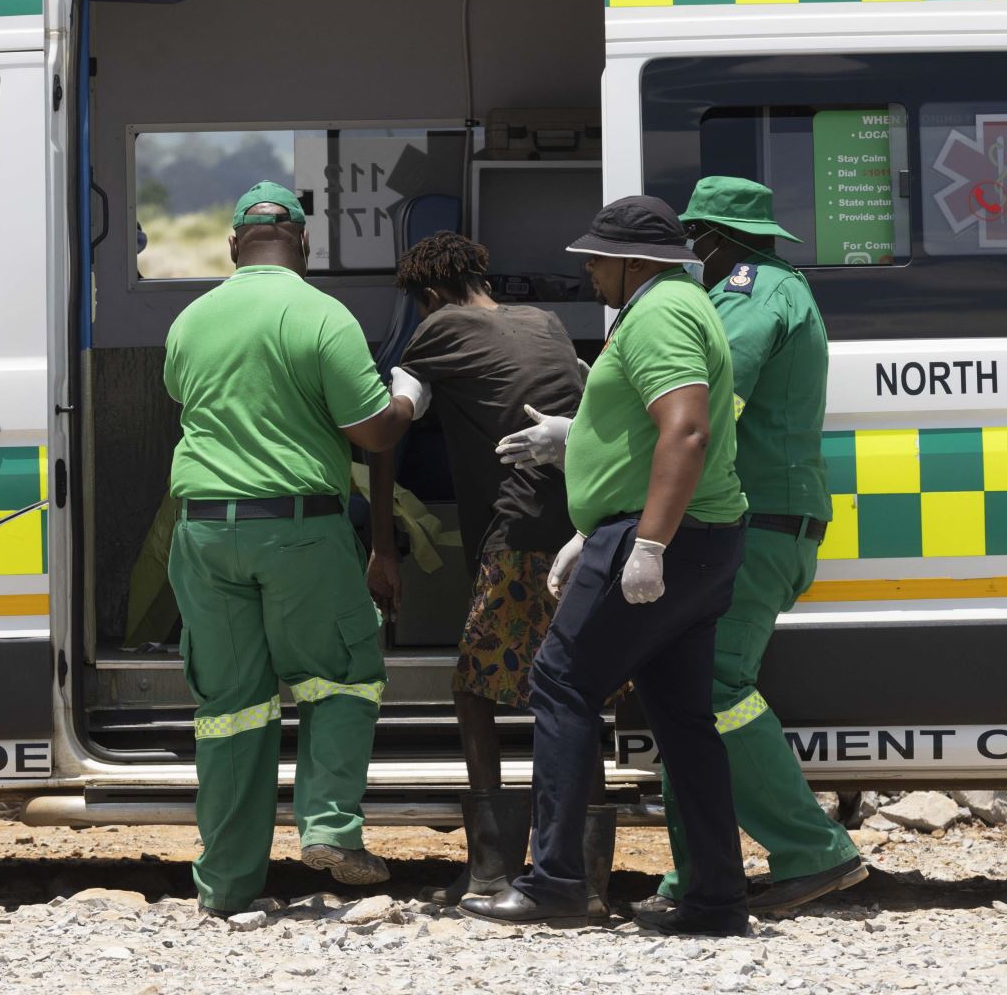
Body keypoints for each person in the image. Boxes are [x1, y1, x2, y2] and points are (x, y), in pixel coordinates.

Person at [467, 195, 750, 937]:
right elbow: (645, 428)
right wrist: (580, 450)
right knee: (684, 720)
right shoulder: (682, 306)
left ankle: (556, 880)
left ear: (634, 262)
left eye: (596, 258)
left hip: (665, 539)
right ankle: (716, 897)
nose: (589, 270)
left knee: (561, 682)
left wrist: (644, 542)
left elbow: (685, 431)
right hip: (700, 537)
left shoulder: (659, 314)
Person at [163, 180, 425, 916]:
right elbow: (373, 432)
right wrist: (409, 398)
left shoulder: (191, 319)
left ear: (232, 246)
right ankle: (329, 826)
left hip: (205, 531)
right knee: (341, 675)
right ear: (305, 244)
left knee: (231, 708)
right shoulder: (322, 314)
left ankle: (227, 886)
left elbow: (185, 398)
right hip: (298, 529)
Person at [637, 175, 865, 916]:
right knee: (688, 689)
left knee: (708, 689)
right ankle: (700, 873)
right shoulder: (776, 286)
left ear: (714, 238)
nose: (690, 255)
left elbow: (706, 401)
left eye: (694, 240)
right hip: (767, 519)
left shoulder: (750, 289)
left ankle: (810, 850)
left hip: (757, 521)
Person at [364, 231, 587, 907]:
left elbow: (386, 427)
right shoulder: (545, 320)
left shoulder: (439, 328)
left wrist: (381, 543)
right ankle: (589, 874)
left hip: (519, 528)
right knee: (574, 694)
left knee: (474, 690)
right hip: (589, 522)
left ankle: (492, 868)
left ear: (428, 296)